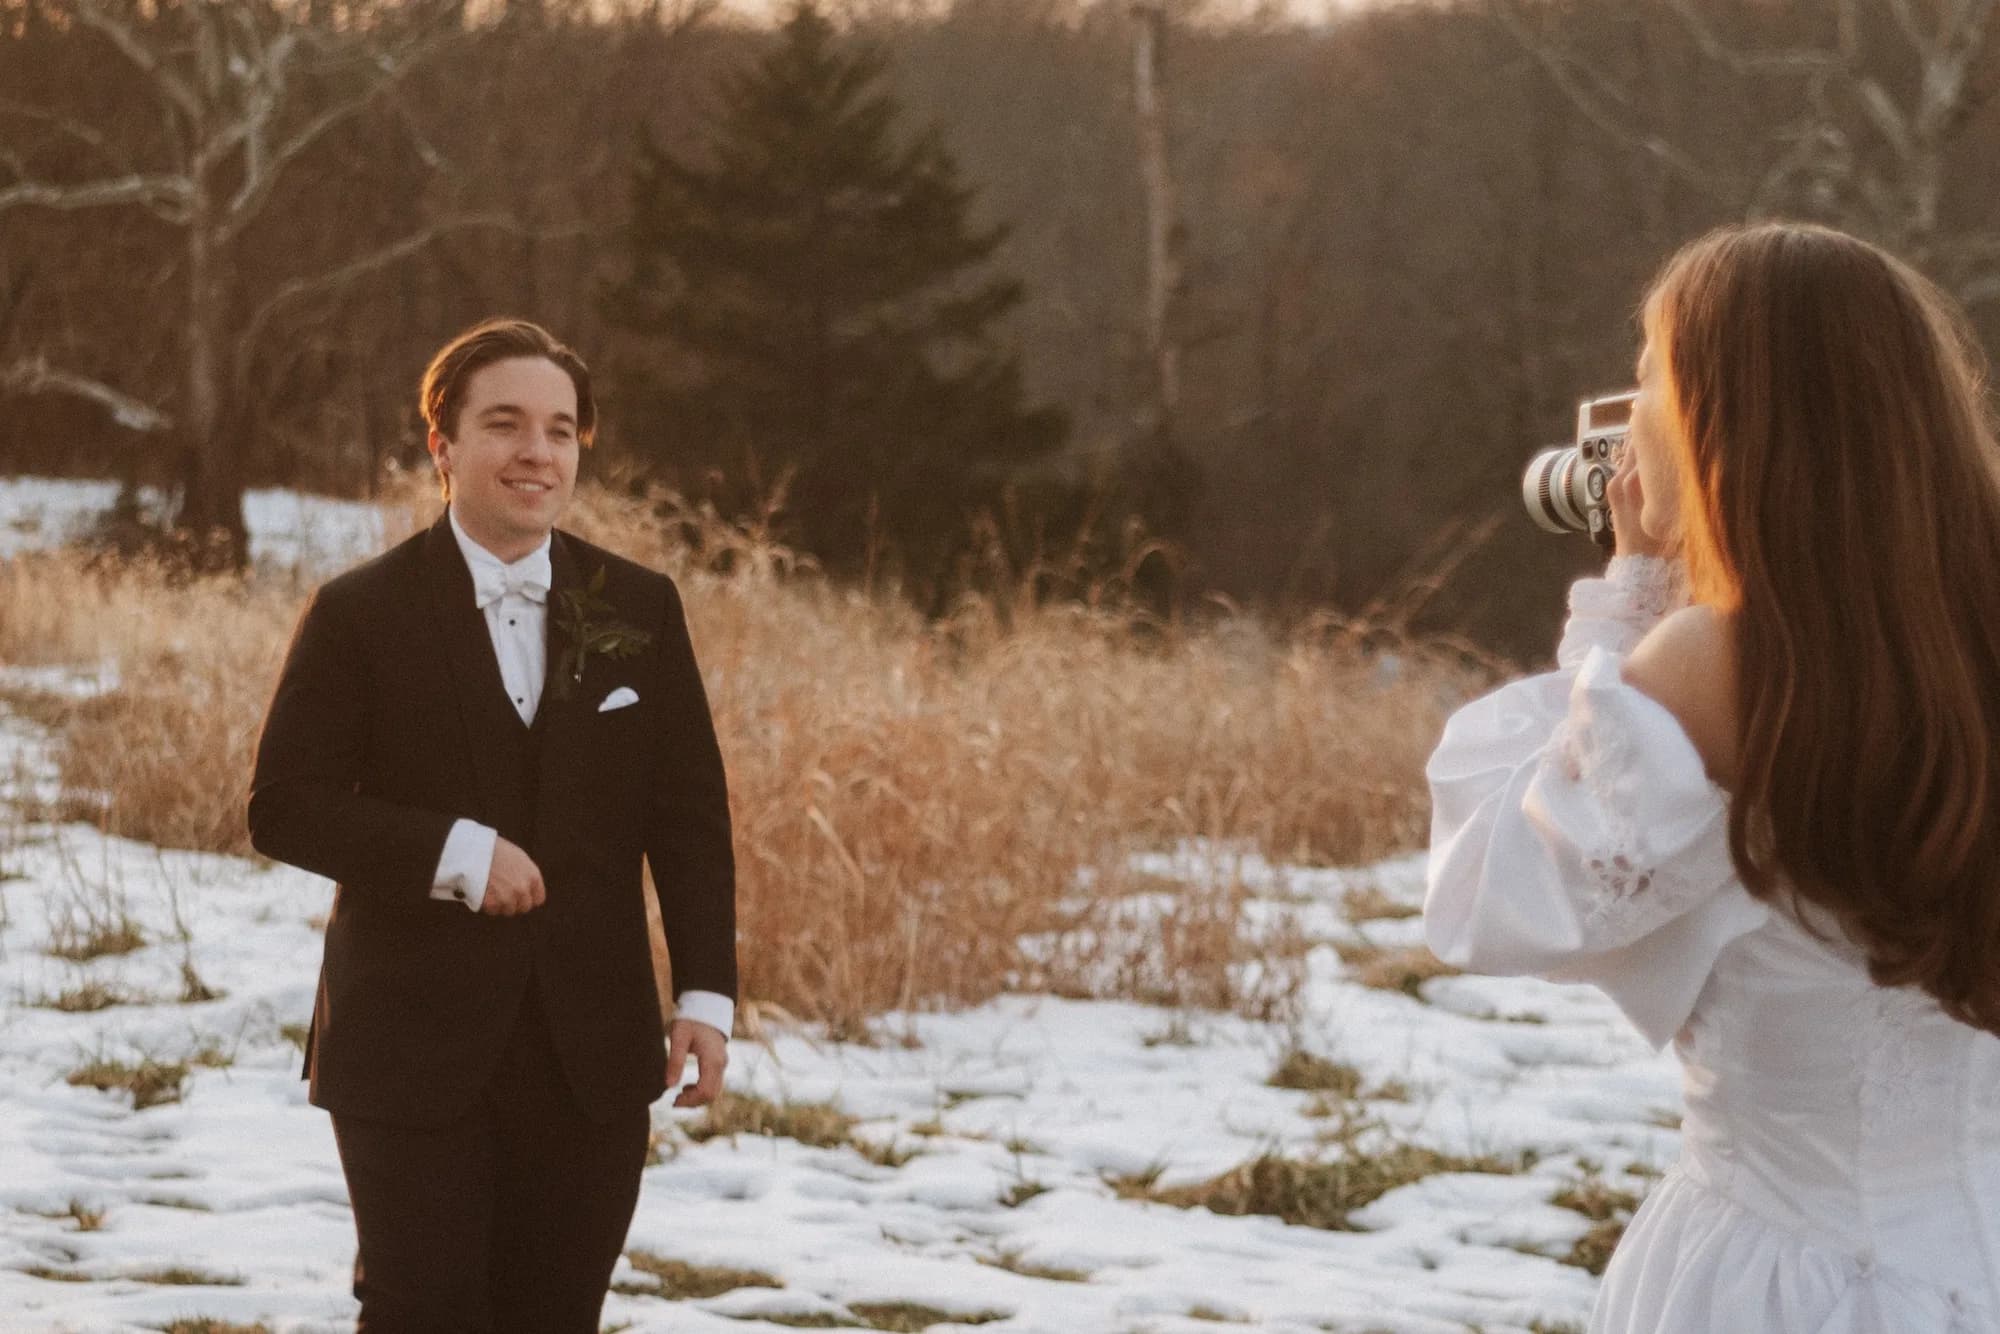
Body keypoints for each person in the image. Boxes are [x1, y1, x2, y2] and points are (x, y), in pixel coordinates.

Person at [1424, 222, 2000, 1332]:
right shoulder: (1969, 643)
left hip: (1783, 1275)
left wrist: (1626, 594)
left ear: (1719, 421)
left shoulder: (1719, 660)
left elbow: (1492, 902)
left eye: (1647, 377)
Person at [248, 317, 737, 1333]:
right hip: (406, 1044)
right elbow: (285, 804)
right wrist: (451, 853)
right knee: (421, 1312)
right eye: (505, 423)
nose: (536, 451)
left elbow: (686, 814)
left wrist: (703, 991)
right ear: (443, 447)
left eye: (560, 429)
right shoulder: (359, 611)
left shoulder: (637, 607)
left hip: (591, 1050)